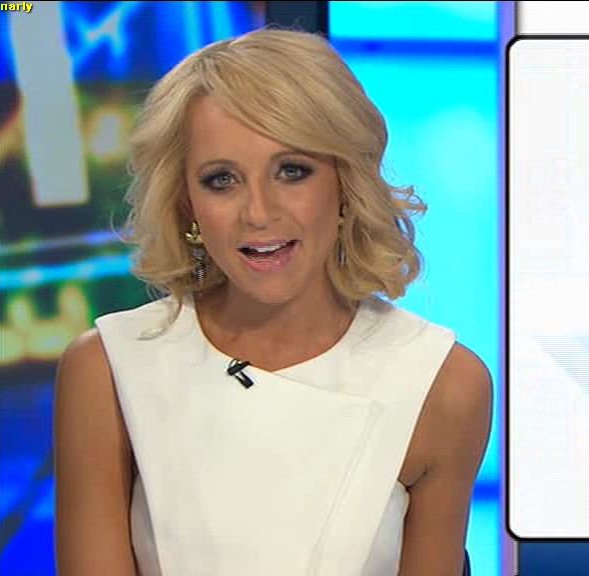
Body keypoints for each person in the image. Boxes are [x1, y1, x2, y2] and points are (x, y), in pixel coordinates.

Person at [53, 27, 492, 576]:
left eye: (292, 172)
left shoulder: (443, 385)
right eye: (221, 180)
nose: (258, 213)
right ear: (187, 204)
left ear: (346, 184)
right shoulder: (108, 368)